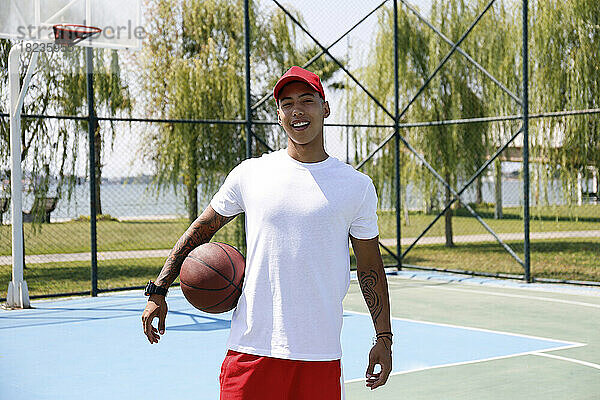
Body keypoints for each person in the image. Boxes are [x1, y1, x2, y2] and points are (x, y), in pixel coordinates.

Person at [142, 66, 393, 399]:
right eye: (287, 103)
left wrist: (384, 338)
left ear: (325, 108)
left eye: (307, 100)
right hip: (251, 348)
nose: (297, 110)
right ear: (279, 115)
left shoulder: (356, 187)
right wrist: (158, 289)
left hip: (319, 353)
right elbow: (200, 232)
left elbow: (370, 268)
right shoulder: (251, 174)